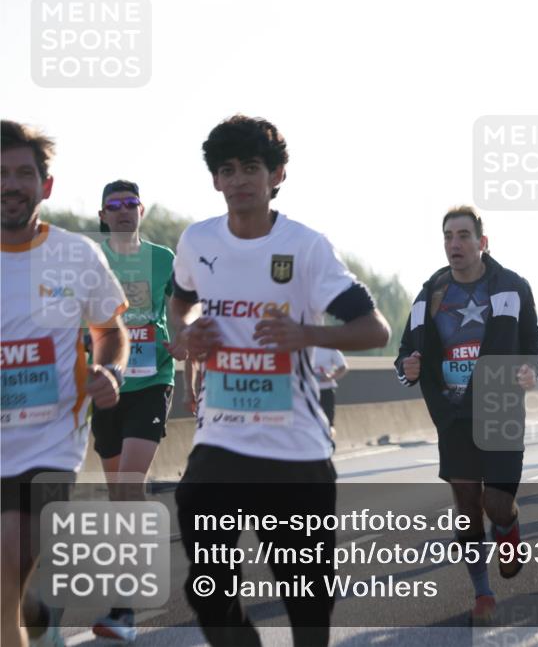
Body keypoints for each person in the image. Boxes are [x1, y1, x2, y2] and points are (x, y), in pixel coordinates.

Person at [168, 115, 390, 647]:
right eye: (228, 170)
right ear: (215, 180)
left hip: (295, 449)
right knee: (208, 591)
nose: (239, 180)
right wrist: (186, 334)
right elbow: (179, 303)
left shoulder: (307, 247)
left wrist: (304, 334)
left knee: (307, 602)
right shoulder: (198, 241)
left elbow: (375, 328)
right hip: (220, 441)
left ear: (277, 175)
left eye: (251, 167)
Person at [2, 120, 130, 647]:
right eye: (0, 173)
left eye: (23, 173)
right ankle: (36, 614)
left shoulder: (75, 254)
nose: (11, 184)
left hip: (51, 442)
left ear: (45, 185)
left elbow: (110, 331)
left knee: (9, 559)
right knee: (11, 585)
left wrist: (111, 371)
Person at [395, 205, 538, 625]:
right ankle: (482, 592)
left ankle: (508, 528)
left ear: (483, 242)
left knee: (496, 503)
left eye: (463, 235)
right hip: (453, 413)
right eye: (448, 236)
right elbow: (407, 351)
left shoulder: (511, 287)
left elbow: (534, 343)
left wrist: (531, 370)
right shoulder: (430, 293)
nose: (454, 244)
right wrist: (407, 367)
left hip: (499, 408)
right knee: (466, 503)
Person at [89, 180, 177, 642]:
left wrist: (183, 340)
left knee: (127, 483)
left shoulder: (164, 259)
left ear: (141, 211)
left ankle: (123, 608)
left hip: (153, 381)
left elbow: (182, 310)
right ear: (103, 216)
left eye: (131, 204)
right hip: (107, 385)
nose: (123, 211)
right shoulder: (92, 261)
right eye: (114, 206)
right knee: (118, 494)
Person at [312, 345, 348, 430]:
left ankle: (328, 437)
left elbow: (343, 367)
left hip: (326, 391)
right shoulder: (302, 347)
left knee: (328, 423)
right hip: (308, 391)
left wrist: (330, 377)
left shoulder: (330, 348)